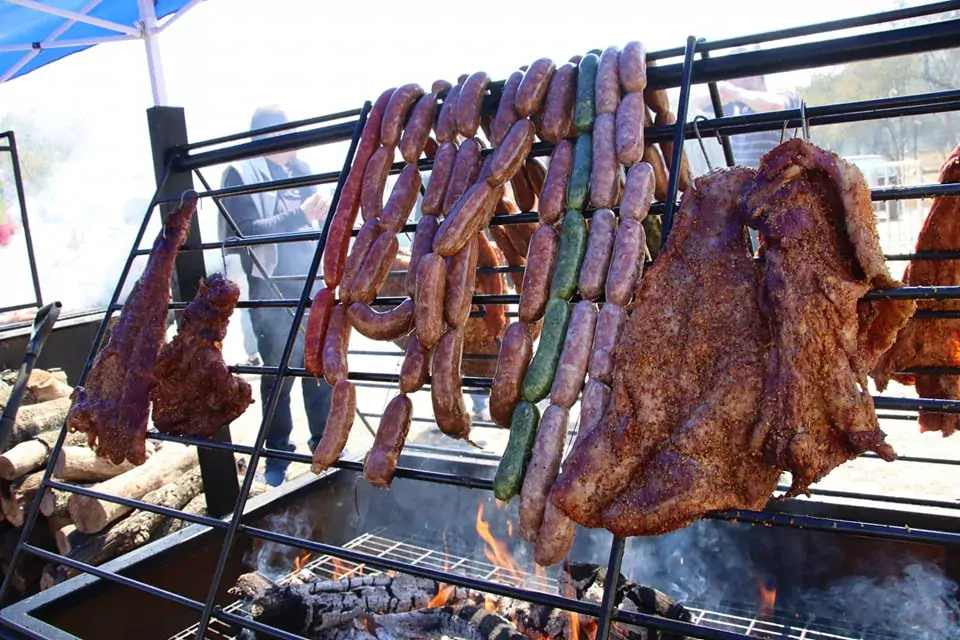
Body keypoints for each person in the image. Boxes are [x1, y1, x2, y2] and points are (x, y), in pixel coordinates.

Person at [219, 105, 333, 487]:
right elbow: (243, 233)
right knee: (279, 375)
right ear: (269, 137)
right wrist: (300, 214)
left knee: (318, 369)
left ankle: (324, 445)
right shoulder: (240, 173)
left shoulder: (301, 172)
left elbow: (320, 218)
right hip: (270, 288)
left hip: (312, 284)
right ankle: (278, 454)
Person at [694, 74, 802, 168]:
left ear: (752, 78)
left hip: (773, 180)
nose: (729, 82)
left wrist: (734, 91)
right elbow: (694, 105)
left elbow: (775, 106)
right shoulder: (737, 110)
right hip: (741, 186)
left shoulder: (787, 94)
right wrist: (716, 94)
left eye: (732, 77)